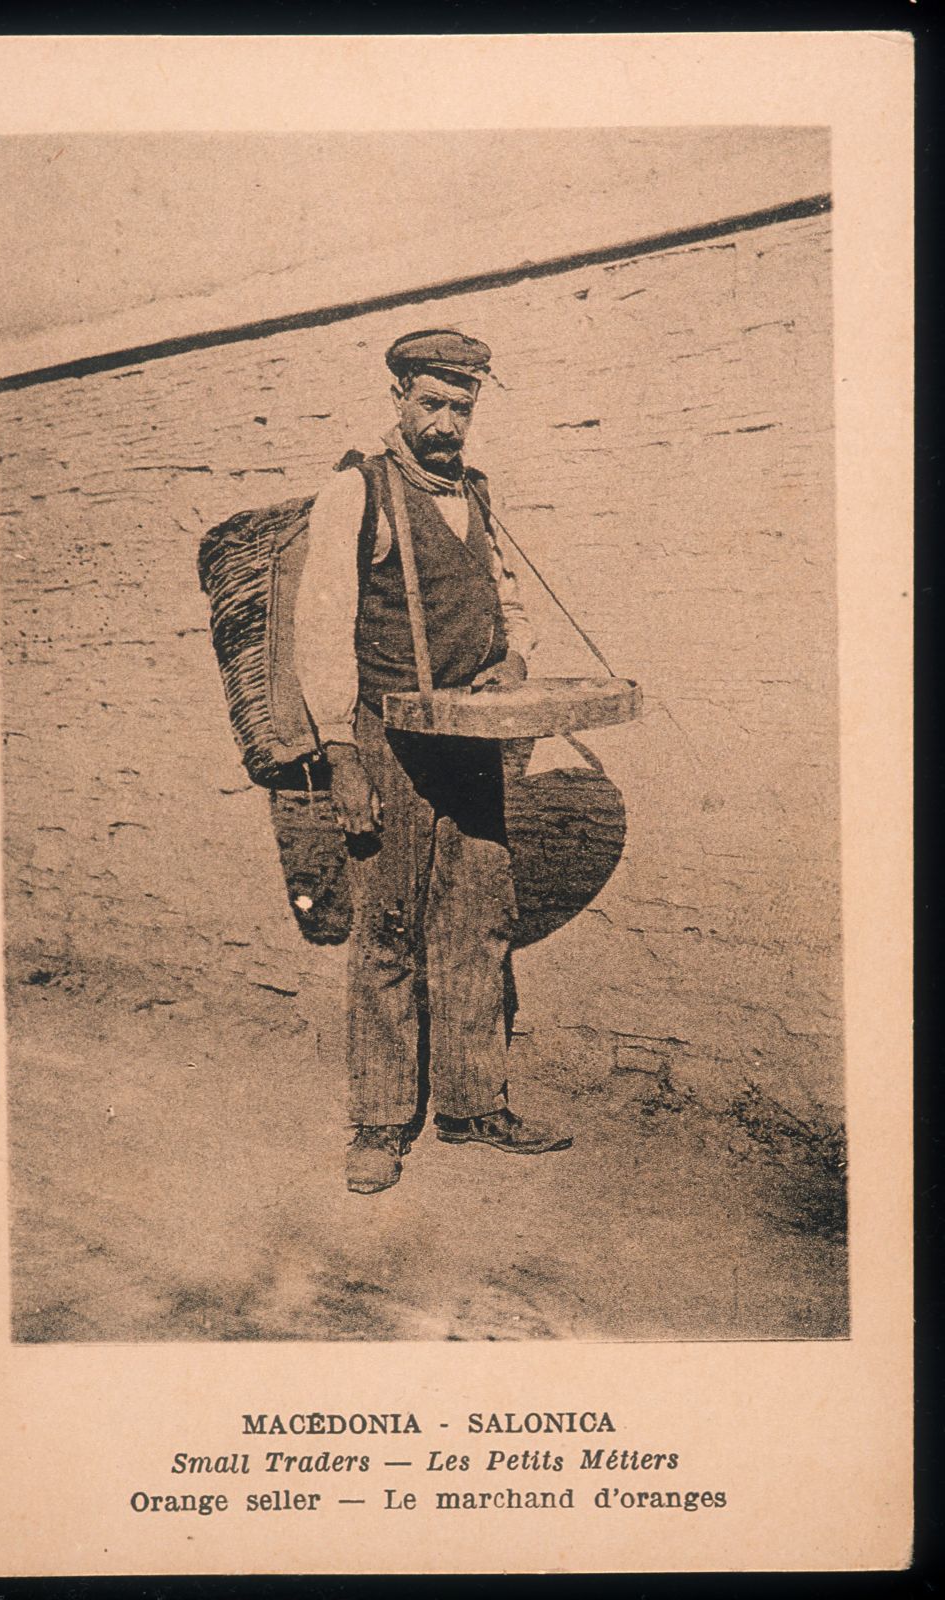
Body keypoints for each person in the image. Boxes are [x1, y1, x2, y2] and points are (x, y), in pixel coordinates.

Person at [295, 328, 572, 1194]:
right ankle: (379, 1123)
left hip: (470, 739)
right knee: (388, 929)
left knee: (480, 919)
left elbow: (510, 599)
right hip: (386, 740)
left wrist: (514, 659)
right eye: (432, 404)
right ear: (399, 399)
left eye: (462, 407)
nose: (447, 423)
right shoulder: (357, 491)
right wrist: (341, 756)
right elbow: (321, 627)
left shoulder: (476, 493)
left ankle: (472, 1104)